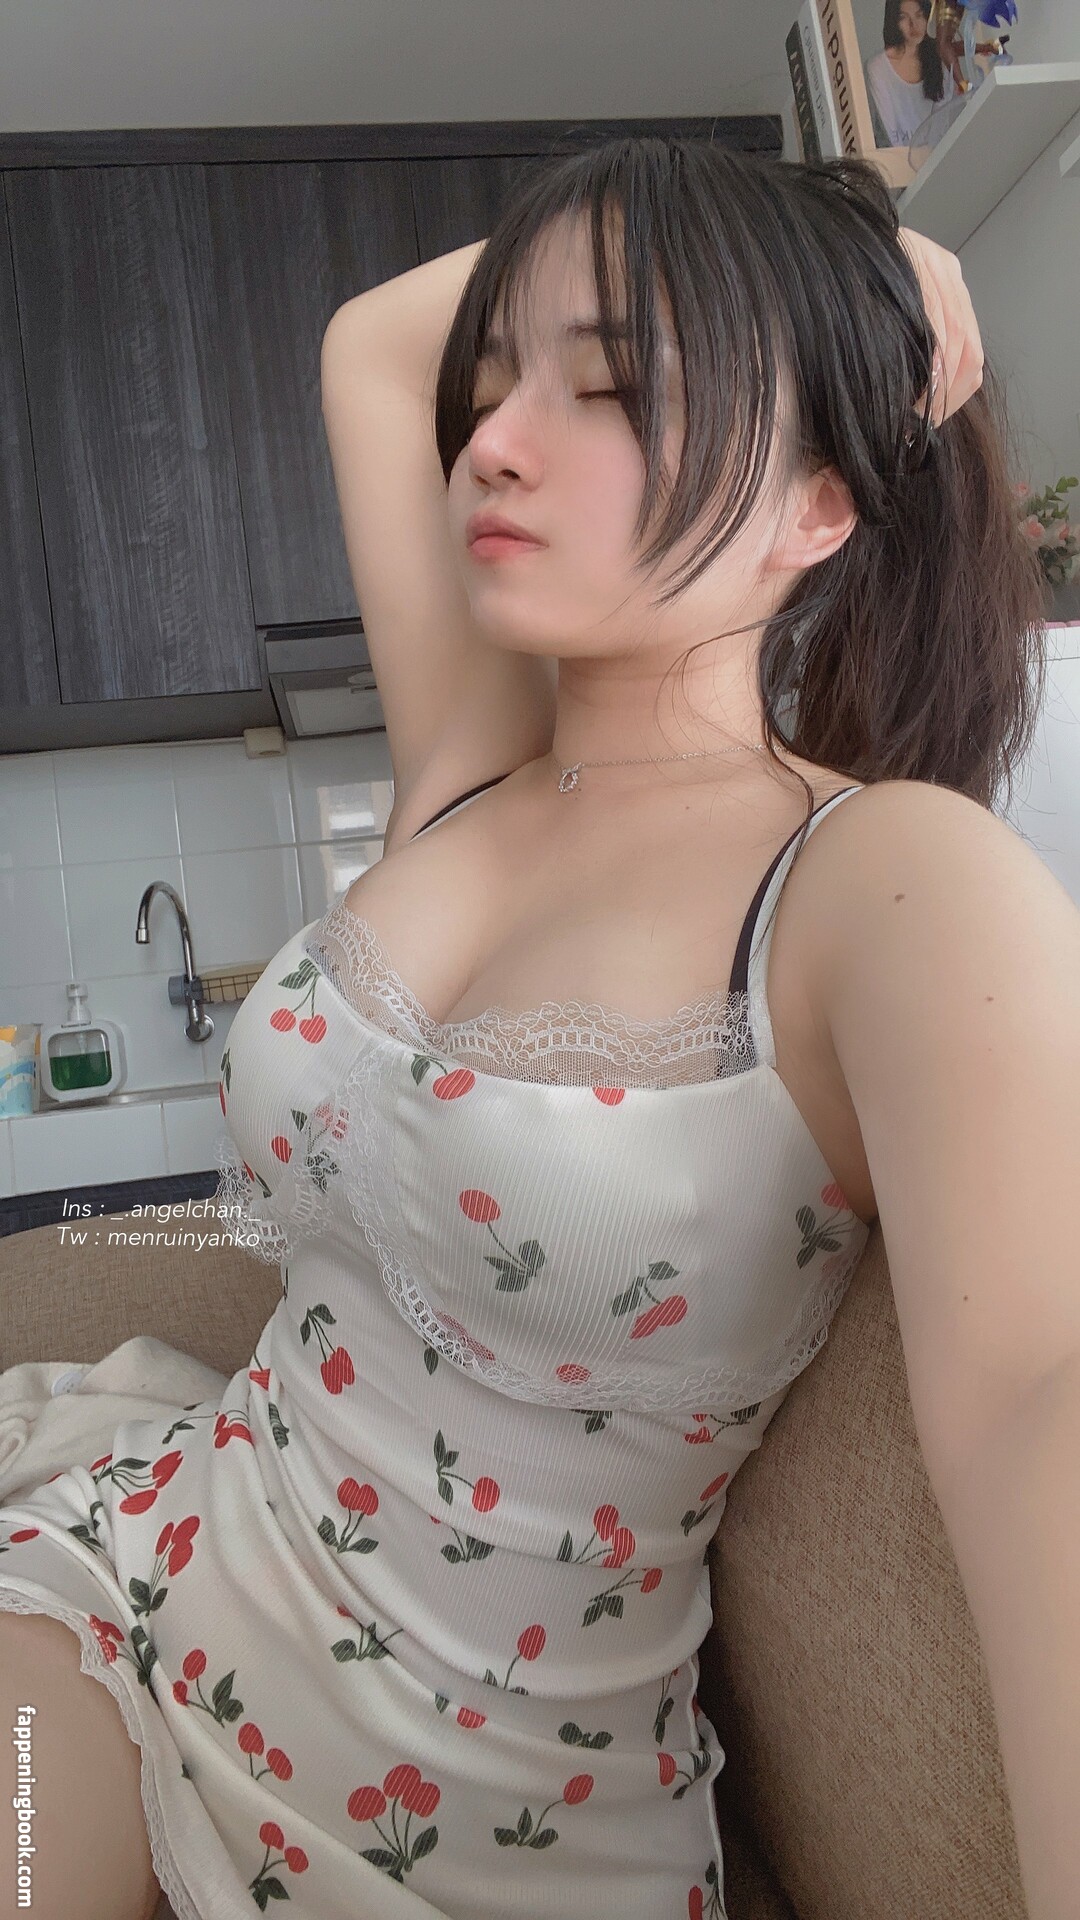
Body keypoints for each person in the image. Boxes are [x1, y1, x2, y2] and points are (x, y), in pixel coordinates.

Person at [0, 136, 1065, 1920]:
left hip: (487, 1828)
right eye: (498, 383)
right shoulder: (471, 770)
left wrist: (810, 279)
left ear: (819, 505)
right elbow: (374, 347)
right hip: (147, 1573)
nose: (491, 439)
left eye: (619, 385)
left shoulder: (878, 879)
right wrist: (851, 231)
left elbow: (1043, 1392)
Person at [866, 0, 958, 148]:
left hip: (935, 155)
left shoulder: (939, 62)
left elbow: (941, 126)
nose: (913, 24)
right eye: (904, 17)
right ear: (894, 21)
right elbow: (889, 134)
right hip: (895, 157)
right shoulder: (878, 67)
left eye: (919, 15)